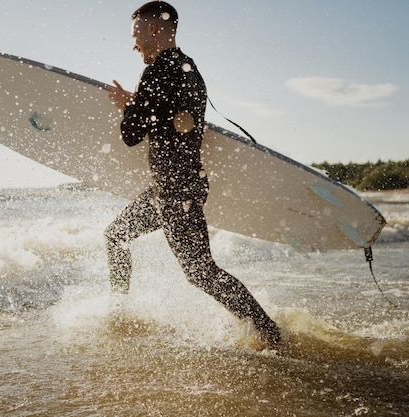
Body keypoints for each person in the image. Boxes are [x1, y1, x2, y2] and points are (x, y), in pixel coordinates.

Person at [104, 1, 281, 346]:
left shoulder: (156, 71)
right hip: (173, 188)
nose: (134, 44)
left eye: (137, 34)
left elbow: (131, 135)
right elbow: (167, 113)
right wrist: (138, 102)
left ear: (154, 30)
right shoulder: (188, 68)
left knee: (200, 272)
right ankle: (118, 312)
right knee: (116, 235)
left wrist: (128, 106)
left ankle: (269, 333)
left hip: (175, 191)